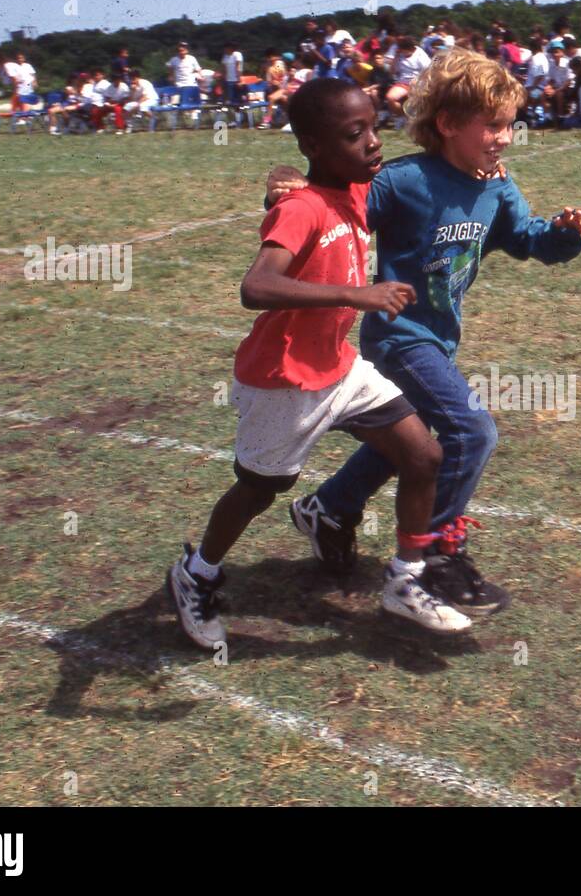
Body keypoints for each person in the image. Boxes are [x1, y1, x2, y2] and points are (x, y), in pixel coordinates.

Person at [262, 48, 581, 618]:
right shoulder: (404, 180)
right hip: (397, 337)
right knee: (471, 430)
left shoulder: (496, 188)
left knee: (409, 447)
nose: (505, 137)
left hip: (440, 339)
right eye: (492, 125)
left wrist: (563, 236)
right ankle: (434, 554)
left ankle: (330, 508)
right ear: (447, 125)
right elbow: (338, 202)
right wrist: (291, 186)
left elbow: (526, 238)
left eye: (510, 125)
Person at [169, 78, 465, 646]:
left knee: (423, 455)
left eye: (375, 128)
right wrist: (356, 295)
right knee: (258, 491)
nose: (373, 144)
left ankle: (406, 580)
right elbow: (256, 287)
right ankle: (196, 573)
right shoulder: (302, 208)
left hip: (339, 367)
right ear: (315, 144)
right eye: (356, 135)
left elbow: (392, 153)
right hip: (284, 379)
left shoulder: (353, 187)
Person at [221, 42, 244, 114]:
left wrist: (239, 80)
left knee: (238, 100)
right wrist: (223, 80)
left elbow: (238, 68)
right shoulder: (225, 56)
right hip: (228, 81)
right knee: (230, 100)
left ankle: (240, 116)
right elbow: (224, 69)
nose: (225, 50)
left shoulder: (237, 54)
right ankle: (234, 118)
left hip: (236, 80)